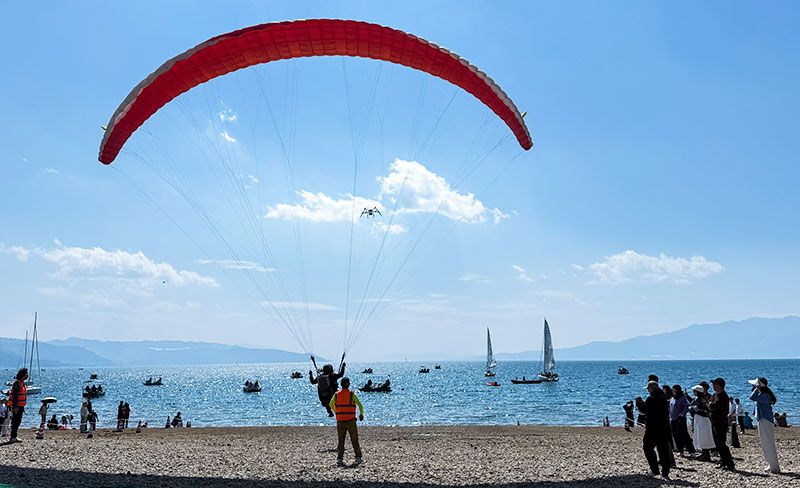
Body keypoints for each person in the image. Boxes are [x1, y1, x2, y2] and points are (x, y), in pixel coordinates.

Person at [639, 380, 671, 479]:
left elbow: (643, 410)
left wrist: (639, 404)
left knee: (647, 447)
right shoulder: (663, 398)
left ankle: (654, 469)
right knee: (663, 450)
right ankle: (665, 473)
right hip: (664, 427)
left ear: (650, 389)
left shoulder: (651, 398)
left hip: (652, 428)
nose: (647, 390)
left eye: (648, 388)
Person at [329, 377, 364, 467]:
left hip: (340, 420)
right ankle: (358, 457)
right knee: (354, 439)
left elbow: (330, 404)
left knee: (341, 440)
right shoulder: (352, 395)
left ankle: (340, 459)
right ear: (348, 384)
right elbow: (360, 405)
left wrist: (336, 411)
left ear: (341, 385)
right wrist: (361, 414)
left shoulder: (336, 394)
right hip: (351, 420)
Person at [749, 377, 780, 473]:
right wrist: (757, 388)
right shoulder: (763, 394)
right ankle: (771, 464)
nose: (753, 386)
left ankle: (774, 466)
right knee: (765, 443)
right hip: (763, 420)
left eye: (756, 385)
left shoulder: (764, 395)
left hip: (765, 421)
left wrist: (756, 389)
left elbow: (752, 397)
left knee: (768, 443)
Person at [708, 377, 735, 471]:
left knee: (721, 443)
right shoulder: (715, 395)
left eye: (715, 384)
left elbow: (713, 405)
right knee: (717, 443)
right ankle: (723, 461)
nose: (713, 386)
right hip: (714, 421)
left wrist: (711, 405)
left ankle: (730, 463)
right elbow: (709, 403)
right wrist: (710, 404)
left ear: (720, 386)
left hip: (721, 422)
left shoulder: (723, 396)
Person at [690, 384, 714, 460]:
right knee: (700, 435)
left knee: (703, 435)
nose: (693, 392)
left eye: (694, 391)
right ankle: (704, 453)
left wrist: (694, 409)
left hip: (703, 419)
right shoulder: (697, 399)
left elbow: (705, 410)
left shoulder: (703, 400)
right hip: (699, 419)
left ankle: (706, 454)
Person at [670, 385, 695, 456]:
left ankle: (691, 451)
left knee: (684, 435)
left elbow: (687, 406)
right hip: (673, 419)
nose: (673, 392)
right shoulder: (672, 398)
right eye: (672, 390)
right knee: (676, 435)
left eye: (674, 390)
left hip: (680, 419)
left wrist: (682, 414)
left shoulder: (682, 398)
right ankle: (680, 451)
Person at [8, 368, 29, 443]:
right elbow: (15, 396)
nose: (27, 376)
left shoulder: (22, 383)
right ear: (23, 375)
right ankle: (13, 437)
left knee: (17, 421)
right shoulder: (17, 384)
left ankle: (14, 436)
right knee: (15, 422)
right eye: (26, 374)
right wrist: (15, 407)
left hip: (20, 406)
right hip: (17, 406)